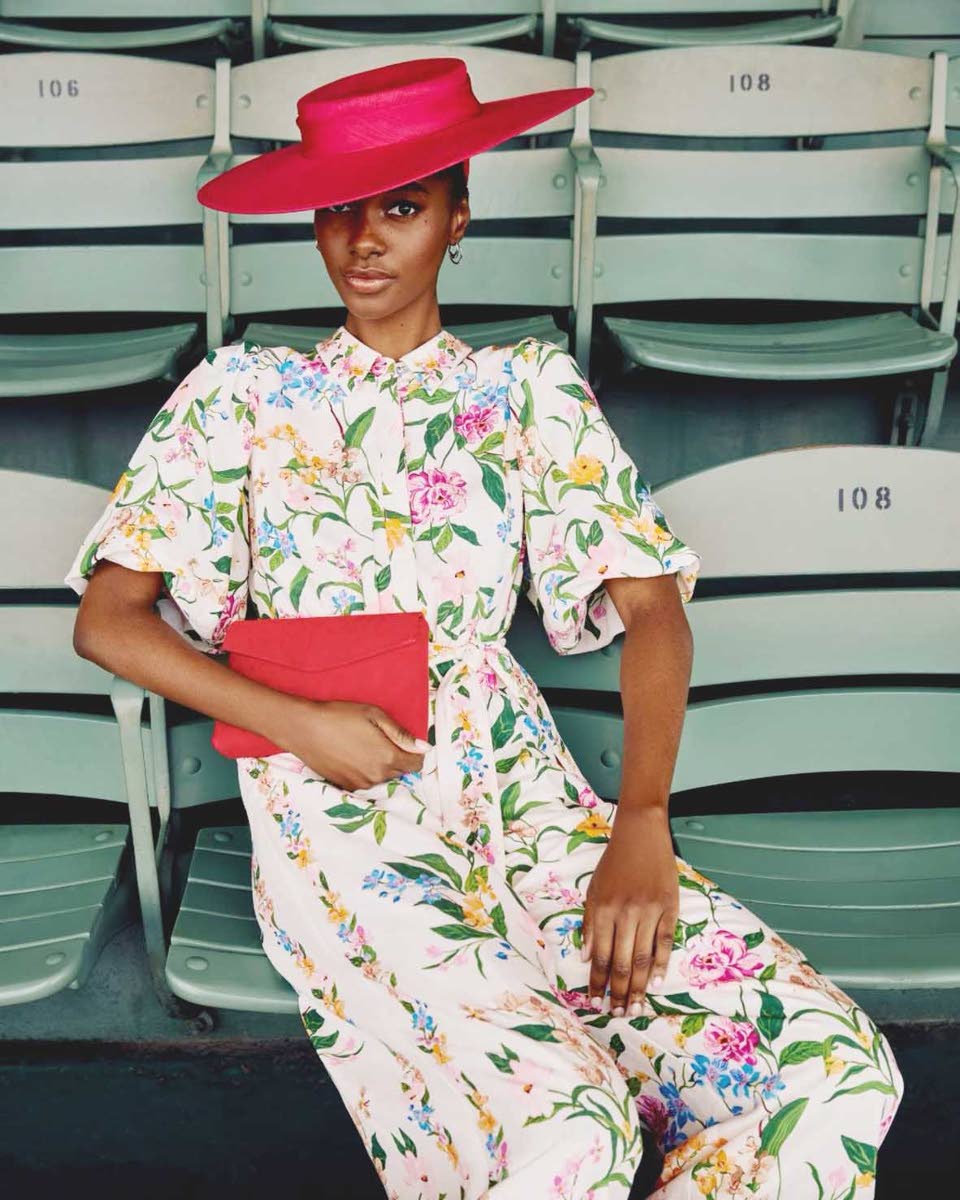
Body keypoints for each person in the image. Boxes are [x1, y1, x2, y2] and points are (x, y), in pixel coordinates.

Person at [66, 57, 903, 1200]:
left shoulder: (528, 389)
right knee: (574, 1134)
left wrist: (642, 826)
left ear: (460, 217)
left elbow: (652, 607)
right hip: (340, 818)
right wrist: (300, 723)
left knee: (835, 1073)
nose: (365, 240)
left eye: (403, 207)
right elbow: (110, 622)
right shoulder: (236, 395)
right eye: (341, 210)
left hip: (524, 790)